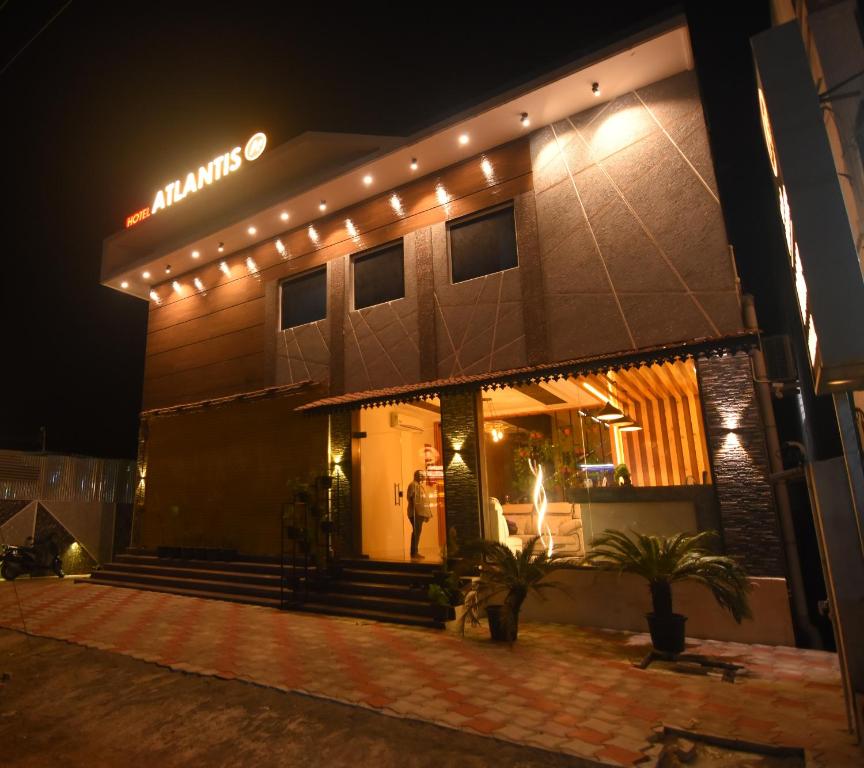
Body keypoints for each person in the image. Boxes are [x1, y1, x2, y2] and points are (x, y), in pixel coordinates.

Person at [406, 469, 433, 560]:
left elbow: (423, 501)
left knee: (417, 532)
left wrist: (427, 514)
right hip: (415, 514)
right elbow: (413, 499)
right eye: (421, 475)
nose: (423, 476)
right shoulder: (413, 485)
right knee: (416, 532)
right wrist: (417, 513)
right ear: (416, 476)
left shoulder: (419, 486)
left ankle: (415, 552)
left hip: (419, 514)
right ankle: (414, 552)